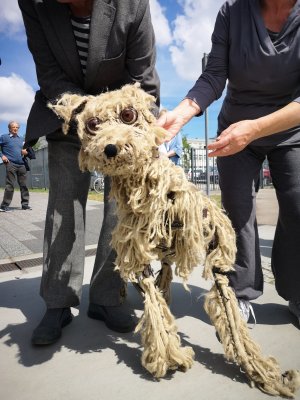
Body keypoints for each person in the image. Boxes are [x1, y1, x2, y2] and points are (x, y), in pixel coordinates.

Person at [18, 0, 160, 345]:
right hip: (68, 116)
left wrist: (117, 123)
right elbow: (49, 72)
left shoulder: (131, 5)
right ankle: (58, 302)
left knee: (120, 209)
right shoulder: (35, 4)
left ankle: (107, 297)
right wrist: (87, 114)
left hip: (123, 122)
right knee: (64, 208)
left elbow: (141, 78)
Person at [157, 0, 300, 327]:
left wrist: (258, 128)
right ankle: (240, 292)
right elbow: (214, 74)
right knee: (237, 211)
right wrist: (182, 112)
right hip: (235, 130)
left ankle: (296, 290)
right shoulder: (232, 12)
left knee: (297, 207)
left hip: (291, 130)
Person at [0, 121, 32, 212]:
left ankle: (25, 205)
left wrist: (25, 152)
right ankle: (4, 206)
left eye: (17, 127)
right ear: (9, 128)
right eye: (13, 127)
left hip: (22, 164)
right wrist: (2, 155)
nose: (15, 129)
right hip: (11, 164)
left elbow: (25, 150)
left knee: (24, 185)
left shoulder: (21, 138)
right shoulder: (4, 137)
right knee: (10, 185)